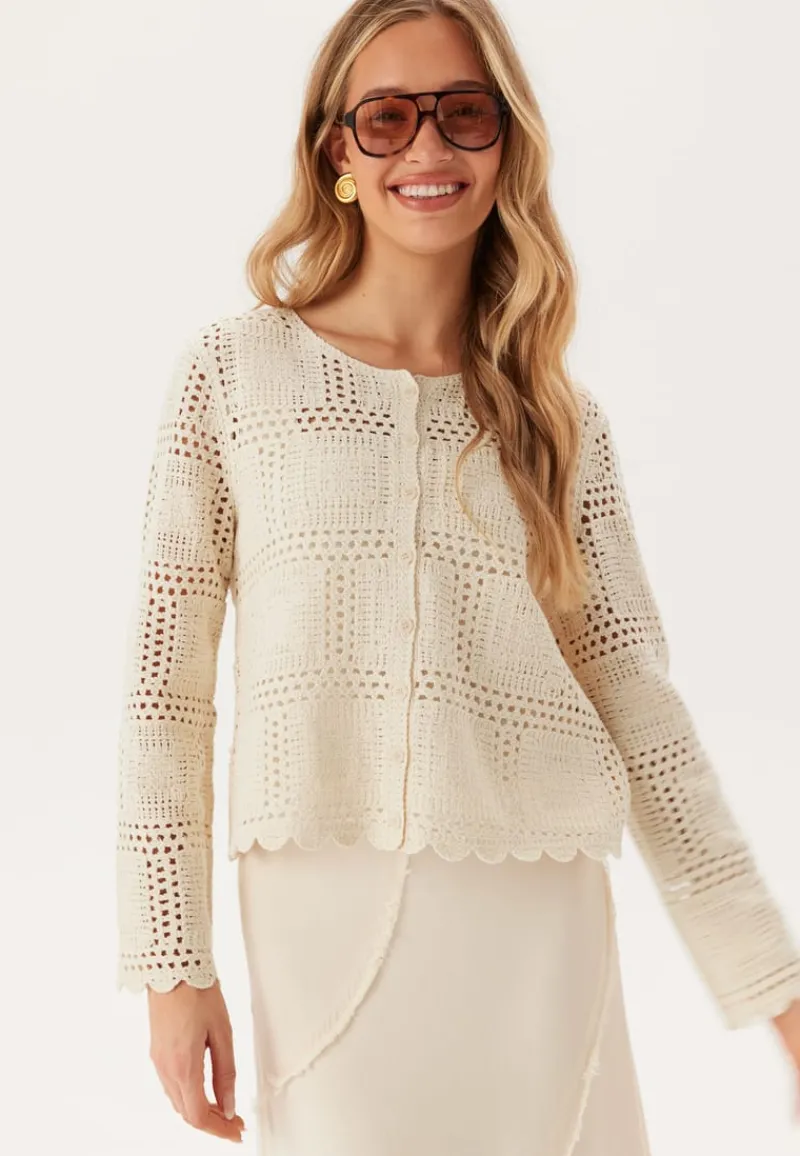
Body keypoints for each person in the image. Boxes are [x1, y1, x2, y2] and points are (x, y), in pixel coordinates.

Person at [115, 1, 800, 1153]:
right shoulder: (234, 374)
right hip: (317, 907)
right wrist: (170, 963)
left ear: (505, 141)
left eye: (463, 114)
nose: (427, 147)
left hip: (535, 915)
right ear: (335, 151)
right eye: (386, 117)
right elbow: (163, 695)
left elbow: (641, 716)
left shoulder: (556, 422)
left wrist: (777, 990)